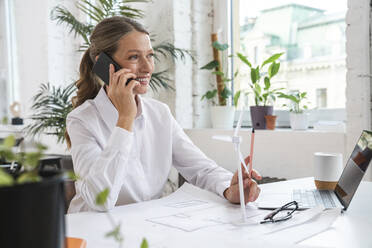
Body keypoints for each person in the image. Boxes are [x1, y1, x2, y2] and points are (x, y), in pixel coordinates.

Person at [66, 16, 261, 213]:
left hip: (143, 227)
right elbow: (100, 201)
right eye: (134, 57)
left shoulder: (160, 114)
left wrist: (230, 188)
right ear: (104, 65)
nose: (147, 67)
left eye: (149, 55)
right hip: (94, 232)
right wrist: (125, 118)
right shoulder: (82, 120)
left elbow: (201, 169)